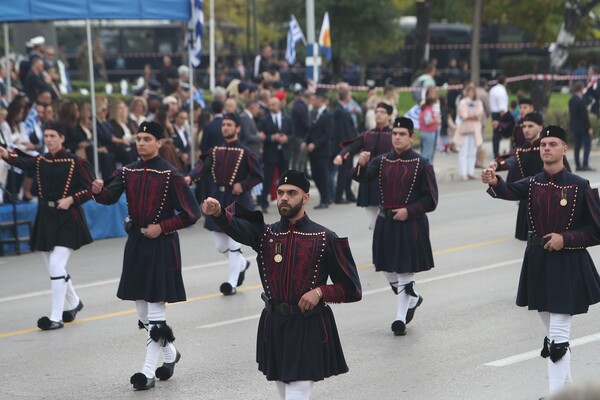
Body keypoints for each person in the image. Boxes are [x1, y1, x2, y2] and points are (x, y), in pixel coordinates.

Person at [201, 169, 362, 400]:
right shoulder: (266, 234)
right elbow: (237, 227)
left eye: (292, 193)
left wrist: (320, 292)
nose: (284, 197)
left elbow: (352, 288)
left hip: (309, 326)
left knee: (295, 394)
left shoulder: (326, 237)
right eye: (281, 192)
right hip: (274, 326)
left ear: (306, 198)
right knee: (285, 394)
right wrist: (217, 212)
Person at [481, 125, 600, 397]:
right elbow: (509, 190)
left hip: (566, 264)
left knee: (558, 338)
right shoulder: (533, 182)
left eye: (552, 144)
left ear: (564, 149)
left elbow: (596, 231)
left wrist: (566, 238)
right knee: (552, 332)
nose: (546, 148)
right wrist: (493, 181)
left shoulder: (580, 186)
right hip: (537, 262)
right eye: (543, 144)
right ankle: (568, 390)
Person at [91, 121, 201, 390]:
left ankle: (147, 372)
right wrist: (97, 192)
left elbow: (192, 213)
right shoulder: (127, 171)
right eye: (138, 138)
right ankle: (171, 353)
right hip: (137, 244)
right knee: (142, 314)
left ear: (159, 143)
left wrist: (162, 227)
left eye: (147, 138)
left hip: (162, 246)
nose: (141, 143)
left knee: (155, 313)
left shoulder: (170, 175)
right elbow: (108, 197)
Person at [0, 120, 95, 330]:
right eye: (47, 136)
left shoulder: (75, 162)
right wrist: (5, 154)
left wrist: (71, 199)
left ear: (62, 138)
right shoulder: (41, 160)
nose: (49, 139)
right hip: (46, 217)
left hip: (69, 217)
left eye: (53, 136)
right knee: (54, 268)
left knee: (56, 266)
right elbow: (23, 162)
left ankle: (55, 317)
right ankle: (75, 302)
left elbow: (92, 189)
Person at [352, 117, 437, 336]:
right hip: (385, 222)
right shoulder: (381, 161)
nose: (397, 137)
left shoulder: (423, 163)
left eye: (402, 134)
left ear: (411, 137)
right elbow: (363, 178)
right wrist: (360, 165)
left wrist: (409, 211)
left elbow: (431, 200)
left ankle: (400, 319)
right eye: (395, 133)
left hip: (411, 224)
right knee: (387, 269)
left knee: (404, 270)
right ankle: (413, 298)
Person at [187, 112, 263, 295]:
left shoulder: (246, 152)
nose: (225, 128)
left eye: (229, 125)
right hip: (218, 200)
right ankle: (242, 264)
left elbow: (258, 176)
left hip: (238, 202)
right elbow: (201, 168)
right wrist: (190, 177)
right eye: (224, 125)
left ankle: (232, 283)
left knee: (235, 244)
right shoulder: (215, 151)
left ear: (237, 128)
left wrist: (242, 185)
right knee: (220, 246)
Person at [490, 112, 571, 240]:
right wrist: (498, 166)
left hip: (551, 201)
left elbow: (567, 179)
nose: (526, 130)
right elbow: (512, 161)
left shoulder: (551, 151)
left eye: (530, 126)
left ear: (540, 127)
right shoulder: (521, 151)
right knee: (531, 246)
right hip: (528, 202)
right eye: (524, 126)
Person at [333, 102, 393, 229]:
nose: (378, 114)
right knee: (373, 225)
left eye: (382, 112)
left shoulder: (395, 135)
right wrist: (341, 156)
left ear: (389, 116)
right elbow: (352, 147)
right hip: (370, 181)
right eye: (376, 112)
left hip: (389, 182)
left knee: (388, 224)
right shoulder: (368, 134)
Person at [257, 97, 291, 213]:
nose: (272, 107)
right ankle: (263, 203)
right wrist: (272, 138)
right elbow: (261, 136)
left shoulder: (287, 118)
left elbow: (293, 134)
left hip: (283, 153)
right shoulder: (264, 120)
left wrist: (287, 138)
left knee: (284, 180)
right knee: (268, 179)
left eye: (274, 105)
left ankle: (285, 202)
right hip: (270, 153)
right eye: (270, 105)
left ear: (279, 105)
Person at [303, 89, 334, 209]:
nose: (312, 101)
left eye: (314, 99)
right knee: (315, 175)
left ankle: (325, 198)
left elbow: (328, 134)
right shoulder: (314, 113)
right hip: (313, 151)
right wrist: (306, 142)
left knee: (322, 175)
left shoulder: (328, 114)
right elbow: (311, 130)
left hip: (322, 151)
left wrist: (315, 144)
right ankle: (323, 196)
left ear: (320, 100)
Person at [454, 83, 485, 181]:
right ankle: (463, 173)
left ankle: (470, 172)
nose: (471, 94)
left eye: (473, 92)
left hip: (475, 130)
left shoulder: (478, 102)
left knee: (472, 151)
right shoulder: (463, 102)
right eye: (469, 92)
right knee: (463, 151)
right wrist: (473, 115)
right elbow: (464, 115)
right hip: (465, 129)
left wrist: (472, 115)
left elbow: (480, 114)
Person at [569, 82, 595, 171]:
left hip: (574, 127)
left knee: (577, 146)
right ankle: (585, 164)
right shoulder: (581, 101)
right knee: (587, 145)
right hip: (583, 127)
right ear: (581, 89)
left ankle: (577, 165)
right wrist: (589, 127)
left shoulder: (571, 100)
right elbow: (584, 116)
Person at [489, 76, 509, 158]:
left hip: (494, 112)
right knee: (498, 133)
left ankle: (495, 151)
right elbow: (502, 105)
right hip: (500, 114)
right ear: (504, 82)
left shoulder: (493, 89)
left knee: (496, 133)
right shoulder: (501, 91)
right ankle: (496, 153)